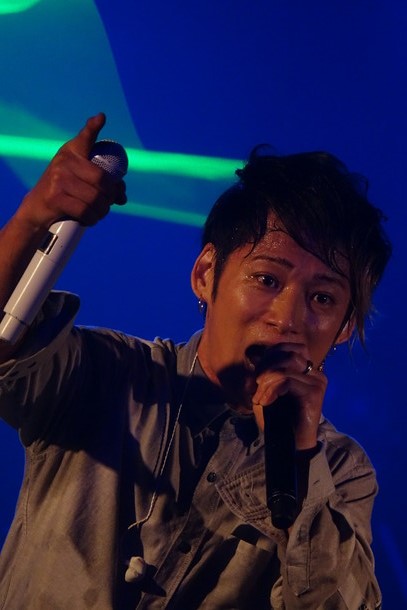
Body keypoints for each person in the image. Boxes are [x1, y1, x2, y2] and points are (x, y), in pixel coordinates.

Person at [0, 113, 390, 610]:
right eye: (267, 280)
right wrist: (32, 219)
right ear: (206, 274)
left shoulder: (341, 472)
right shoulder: (109, 374)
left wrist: (299, 462)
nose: (287, 318)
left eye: (322, 299)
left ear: (345, 328)